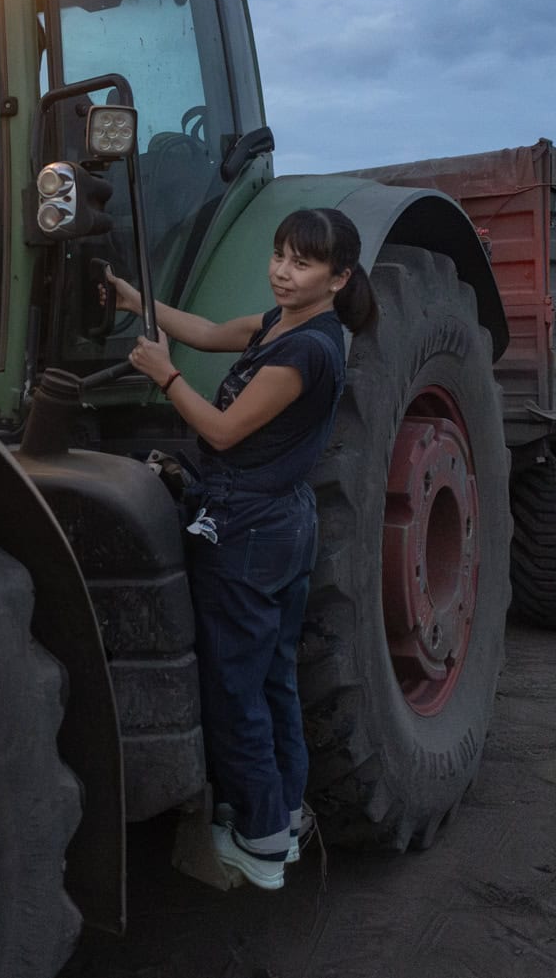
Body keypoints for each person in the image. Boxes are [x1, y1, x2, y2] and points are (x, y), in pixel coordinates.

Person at [102, 207, 379, 891]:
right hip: (276, 522)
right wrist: (138, 299)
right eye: (280, 254)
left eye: (304, 262)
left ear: (339, 277)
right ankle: (279, 822)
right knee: (271, 676)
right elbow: (199, 329)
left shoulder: (309, 349)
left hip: (251, 529)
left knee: (235, 685)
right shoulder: (277, 324)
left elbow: (222, 432)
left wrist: (165, 376)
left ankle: (255, 841)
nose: (284, 270)